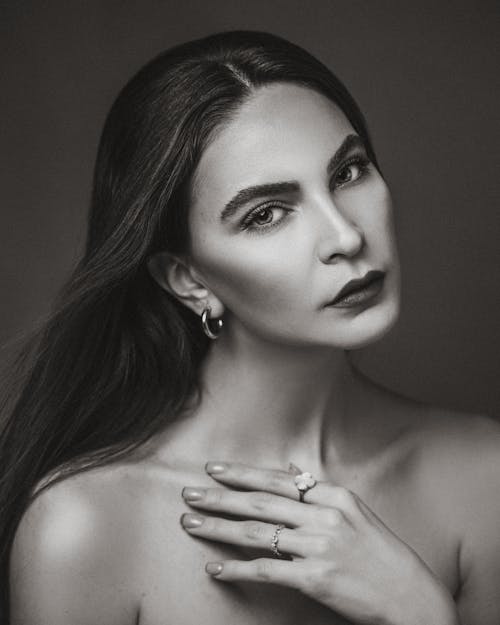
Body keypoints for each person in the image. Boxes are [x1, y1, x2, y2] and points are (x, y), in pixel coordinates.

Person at [1, 30, 499, 625]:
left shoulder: (483, 478)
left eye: (348, 171)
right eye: (266, 214)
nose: (346, 236)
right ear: (188, 278)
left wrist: (420, 613)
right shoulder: (85, 527)